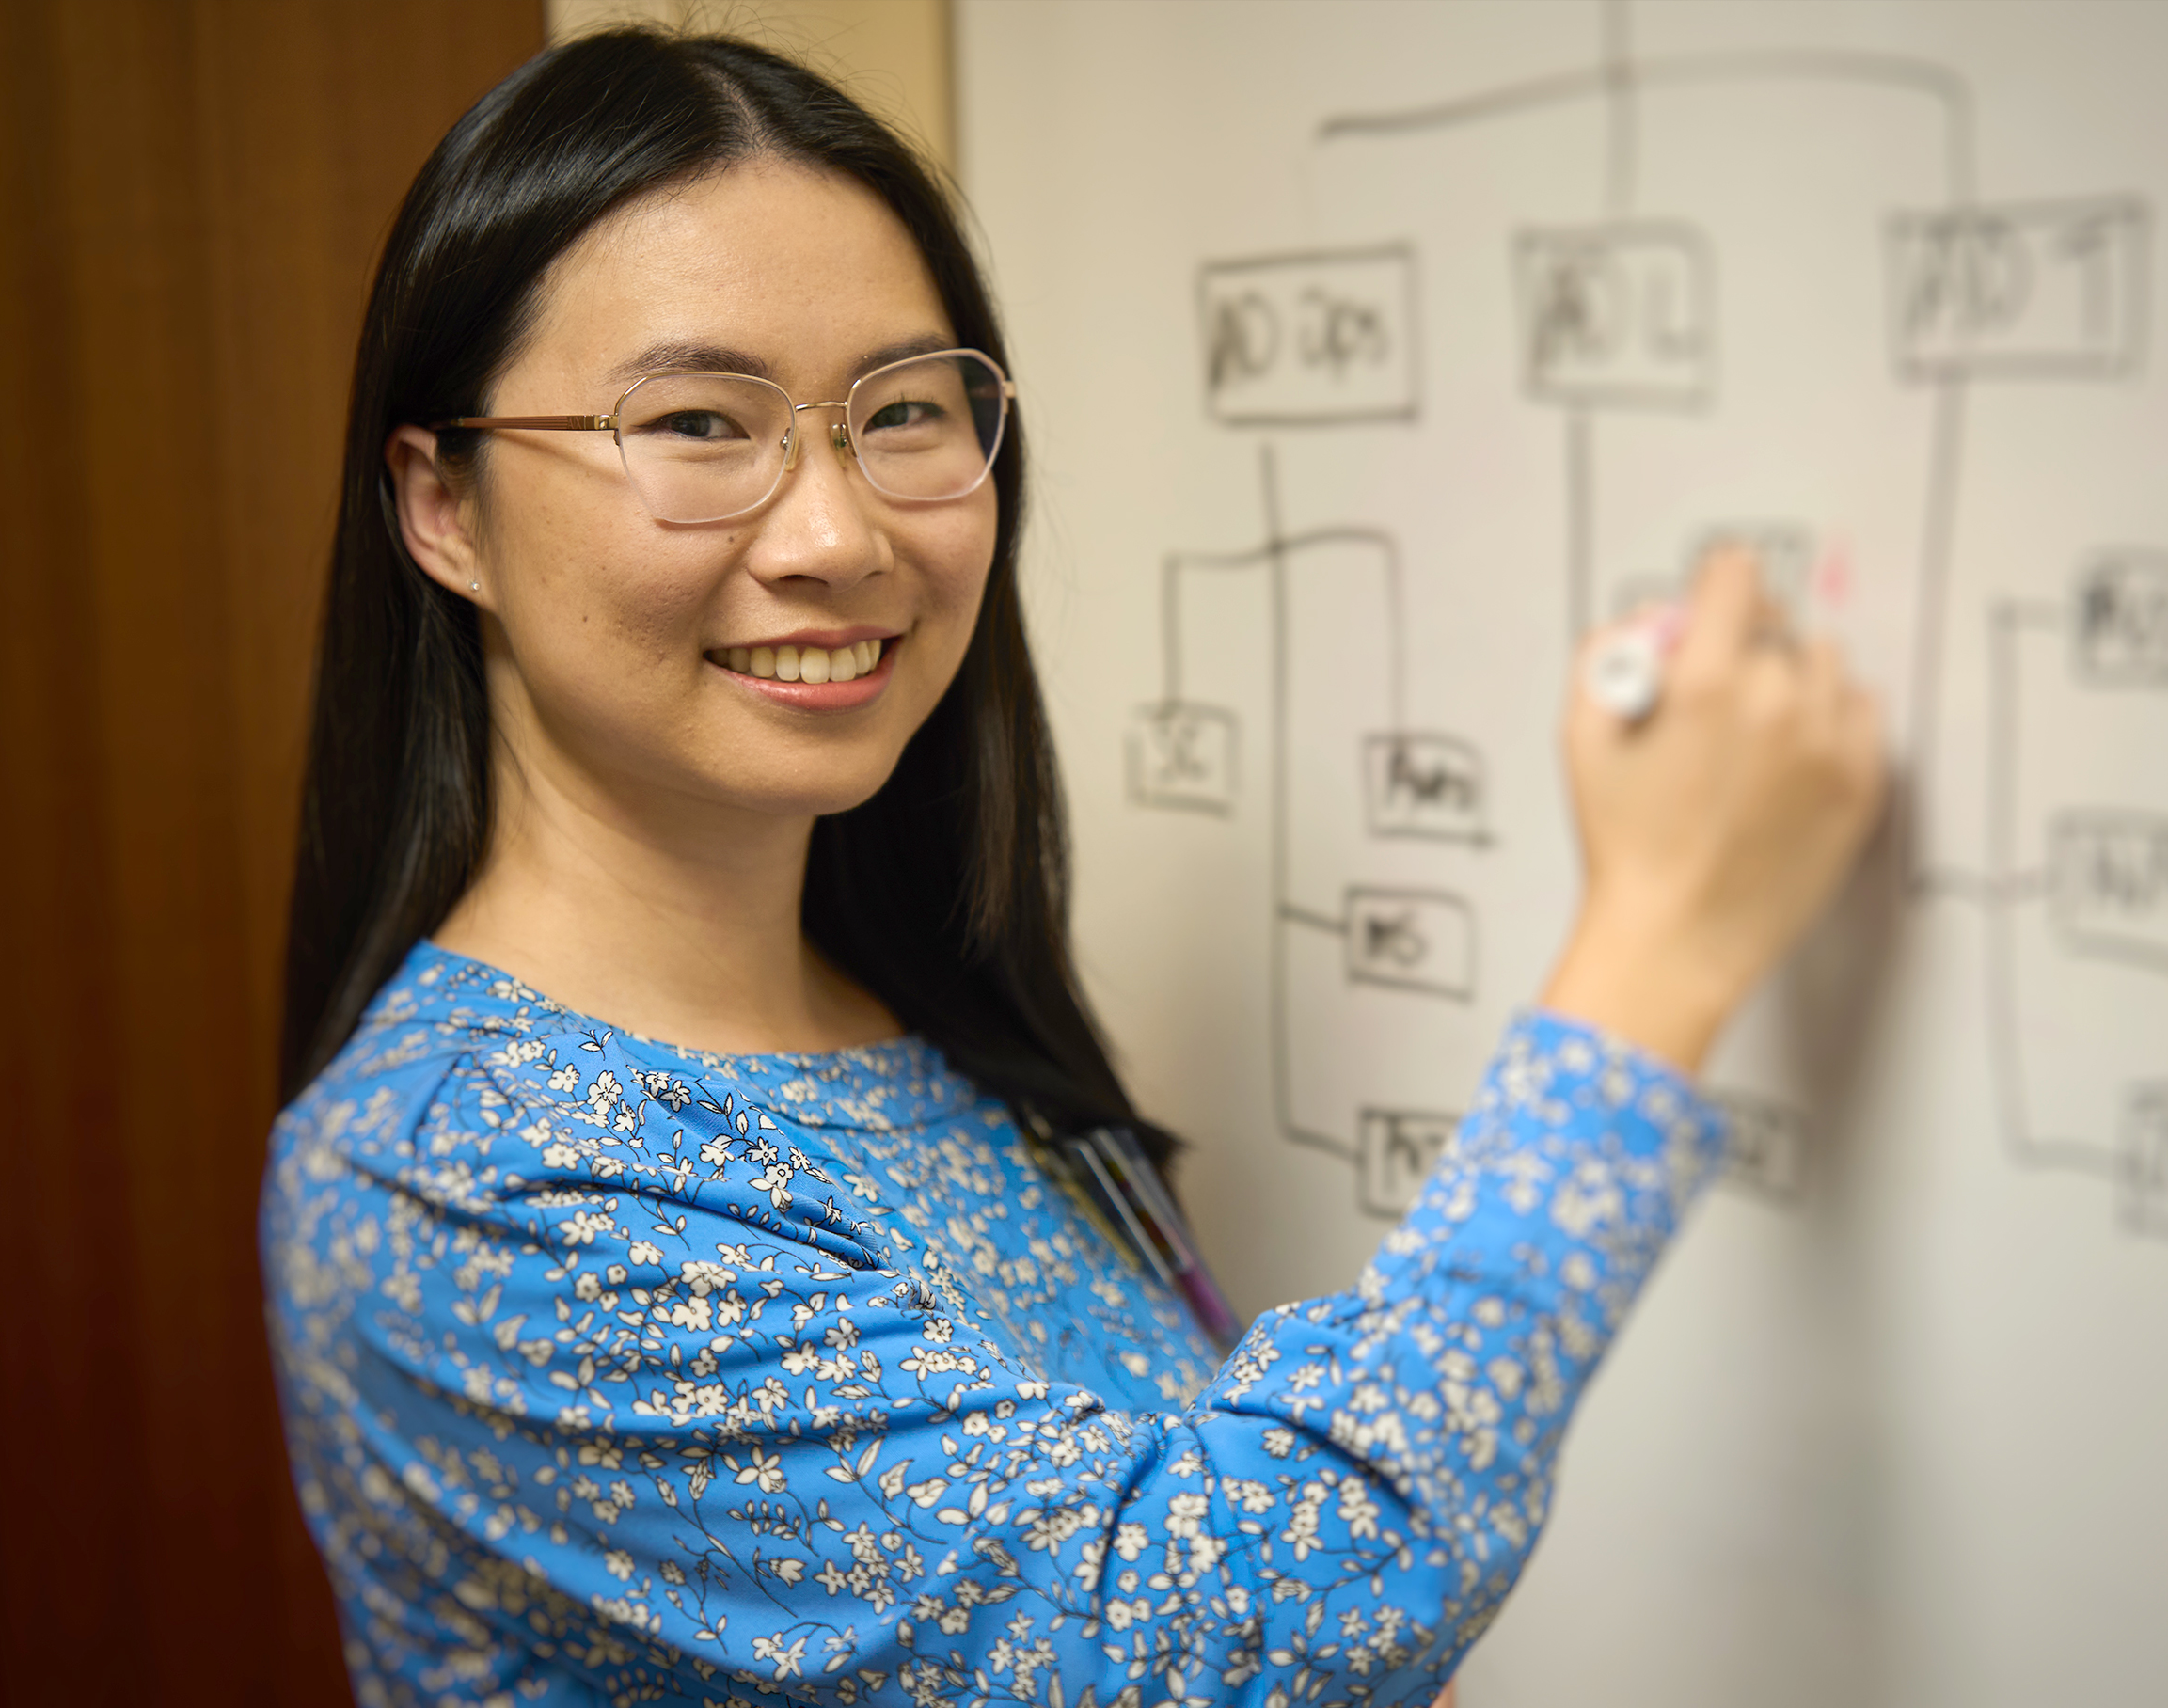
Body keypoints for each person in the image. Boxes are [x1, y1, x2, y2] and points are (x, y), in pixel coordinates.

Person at [261, 28, 1886, 1708]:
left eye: (901, 410)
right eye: (696, 422)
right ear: (443, 504)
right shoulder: (459, 1182)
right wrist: (1663, 939)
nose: (837, 535)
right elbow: (1207, 1635)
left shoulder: (917, 1017)